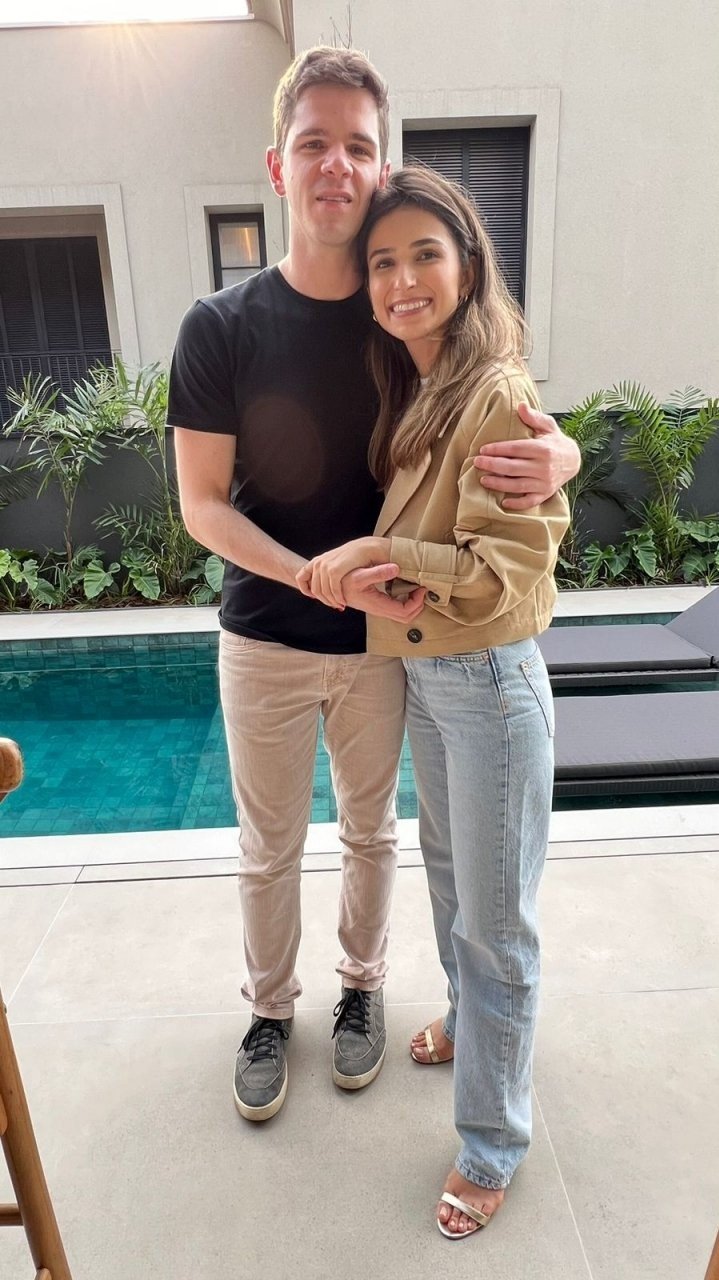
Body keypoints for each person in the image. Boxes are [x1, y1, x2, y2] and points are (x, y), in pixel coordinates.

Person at [167, 47, 580, 1124]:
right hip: (265, 632)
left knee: (371, 833)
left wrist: (565, 452)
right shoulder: (219, 327)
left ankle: (361, 989)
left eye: (358, 145)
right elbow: (202, 505)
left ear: (381, 165)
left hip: (387, 639)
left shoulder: (399, 313)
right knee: (267, 847)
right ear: (278, 164)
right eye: (314, 143)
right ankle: (269, 1009)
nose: (336, 165)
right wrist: (315, 577)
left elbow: (493, 401)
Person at [297, 165, 569, 1238]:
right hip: (433, 677)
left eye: (424, 254)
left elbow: (503, 572)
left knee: (496, 927)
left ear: (466, 265)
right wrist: (388, 566)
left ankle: (492, 1142)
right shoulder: (422, 387)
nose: (402, 278)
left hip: (490, 681)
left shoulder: (493, 389)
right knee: (455, 884)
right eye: (382, 261)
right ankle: (467, 1021)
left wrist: (377, 553)